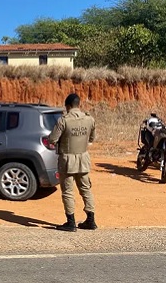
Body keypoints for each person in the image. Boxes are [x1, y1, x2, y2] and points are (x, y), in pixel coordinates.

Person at [49, 93, 97, 232]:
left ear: (68, 106)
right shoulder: (89, 119)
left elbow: (52, 139)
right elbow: (91, 138)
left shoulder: (64, 120)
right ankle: (91, 220)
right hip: (83, 159)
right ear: (78, 104)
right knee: (86, 189)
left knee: (68, 192)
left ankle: (70, 222)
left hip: (67, 161)